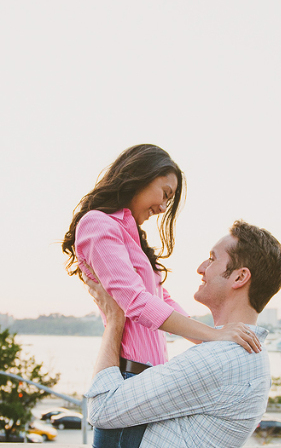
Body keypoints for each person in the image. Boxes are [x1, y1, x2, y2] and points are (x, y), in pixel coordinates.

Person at [62, 144, 260, 447]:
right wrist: (214, 335)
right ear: (139, 176)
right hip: (126, 380)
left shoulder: (130, 235)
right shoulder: (98, 224)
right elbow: (136, 303)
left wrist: (214, 338)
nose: (164, 206)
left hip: (145, 384)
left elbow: (160, 297)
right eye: (165, 193)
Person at [85, 220, 281, 448]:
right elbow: (160, 299)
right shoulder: (247, 352)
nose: (201, 267)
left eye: (212, 259)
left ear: (239, 278)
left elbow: (102, 409)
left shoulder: (219, 358)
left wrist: (114, 320)